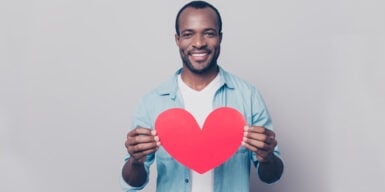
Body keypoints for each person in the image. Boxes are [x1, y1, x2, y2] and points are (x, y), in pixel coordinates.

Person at [121, 1, 284, 191]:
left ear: (220, 38)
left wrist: (268, 157)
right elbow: (133, 183)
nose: (199, 43)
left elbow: (272, 176)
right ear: (177, 39)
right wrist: (135, 161)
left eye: (208, 33)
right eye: (188, 34)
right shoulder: (152, 102)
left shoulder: (248, 96)